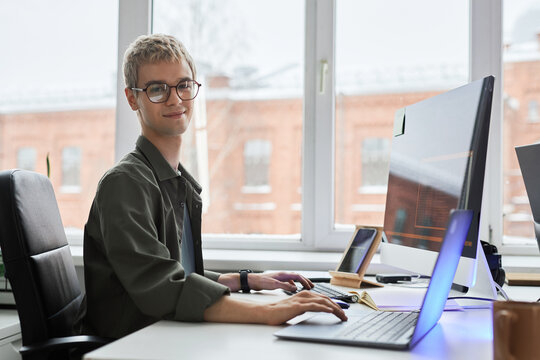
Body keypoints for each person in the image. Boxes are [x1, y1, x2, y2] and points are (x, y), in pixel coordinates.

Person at [76, 34, 347, 339]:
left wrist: (246, 281)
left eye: (183, 85)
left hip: (166, 338)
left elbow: (178, 272)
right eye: (156, 89)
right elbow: (163, 289)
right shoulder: (125, 184)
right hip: (131, 347)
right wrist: (271, 312)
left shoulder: (173, 181)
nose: (175, 99)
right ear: (131, 98)